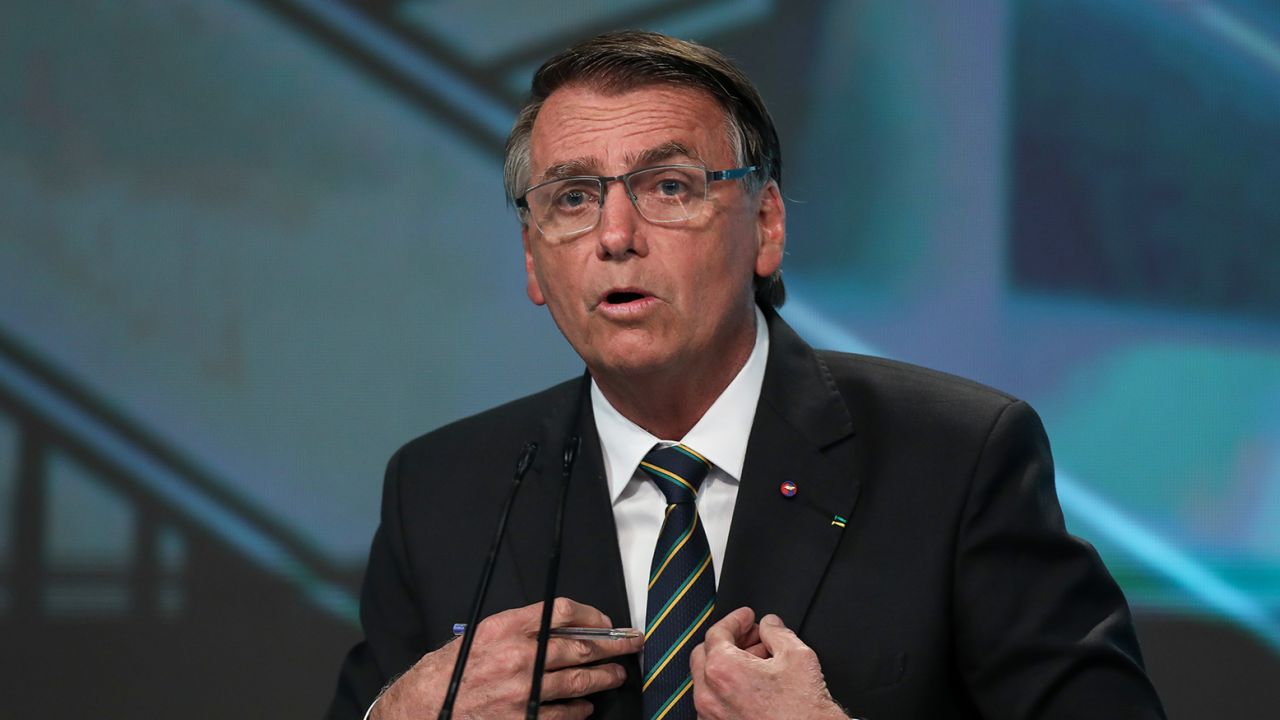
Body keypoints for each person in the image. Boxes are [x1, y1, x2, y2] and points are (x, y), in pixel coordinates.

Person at [328, 30, 1166, 720]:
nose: (615, 235)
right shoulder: (439, 489)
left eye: (667, 186)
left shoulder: (958, 457)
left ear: (765, 225)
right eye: (573, 198)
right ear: (534, 260)